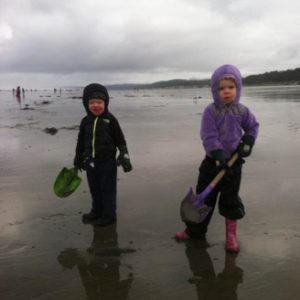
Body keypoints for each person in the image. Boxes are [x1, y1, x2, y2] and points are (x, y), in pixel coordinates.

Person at [176, 64, 259, 252]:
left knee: (230, 200)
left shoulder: (243, 111)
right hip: (212, 164)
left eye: (231, 87)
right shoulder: (210, 111)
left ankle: (231, 237)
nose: (227, 92)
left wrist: (248, 140)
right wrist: (217, 154)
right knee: (204, 200)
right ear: (215, 90)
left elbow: (253, 127)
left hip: (233, 164)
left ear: (237, 89)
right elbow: (208, 135)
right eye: (222, 88)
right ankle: (194, 231)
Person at [74, 83, 133, 226]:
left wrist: (124, 155)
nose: (96, 106)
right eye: (92, 102)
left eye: (99, 102)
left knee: (107, 190)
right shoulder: (85, 121)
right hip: (91, 162)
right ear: (86, 104)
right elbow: (81, 141)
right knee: (95, 189)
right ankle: (96, 211)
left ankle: (109, 215)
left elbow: (120, 139)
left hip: (107, 163)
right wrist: (78, 157)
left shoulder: (111, 120)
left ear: (105, 103)